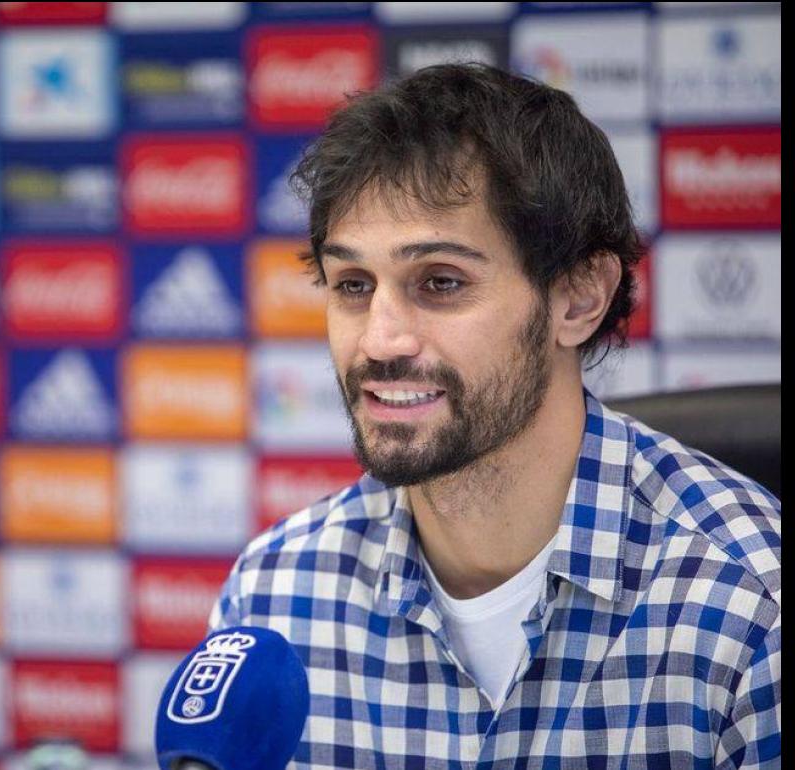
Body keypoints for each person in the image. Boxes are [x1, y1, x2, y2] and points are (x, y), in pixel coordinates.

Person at [209, 64, 780, 768]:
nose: (379, 340)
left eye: (440, 282)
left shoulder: (752, 610)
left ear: (579, 297)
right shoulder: (272, 598)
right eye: (353, 285)